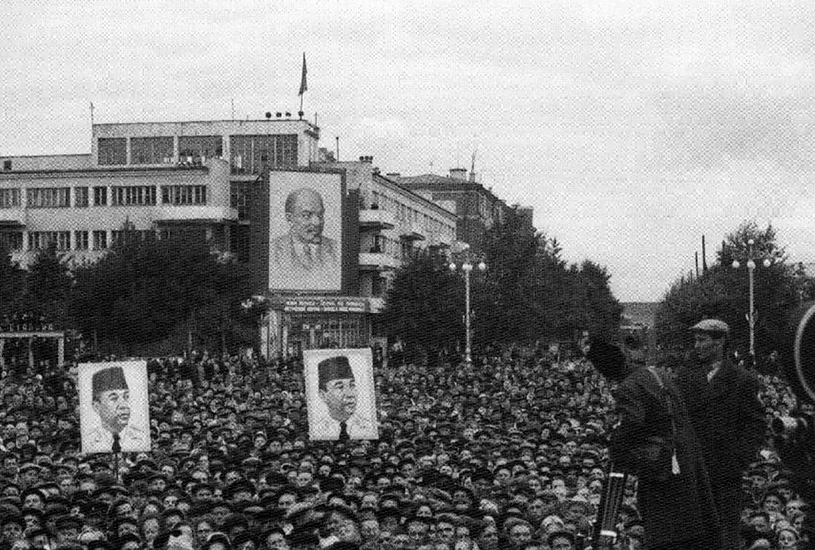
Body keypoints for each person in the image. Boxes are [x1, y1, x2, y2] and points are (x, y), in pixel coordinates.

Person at [586, 340, 722, 549]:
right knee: (691, 521)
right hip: (686, 456)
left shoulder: (628, 386)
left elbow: (633, 421)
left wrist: (616, 444)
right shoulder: (657, 373)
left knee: (664, 526)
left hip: (662, 464)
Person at [676, 319, 766, 549]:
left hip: (724, 477)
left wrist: (736, 461)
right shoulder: (685, 377)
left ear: (720, 342)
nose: (696, 345)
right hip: (690, 473)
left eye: (702, 340)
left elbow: (755, 425)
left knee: (722, 539)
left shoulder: (742, 380)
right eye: (695, 340)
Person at [270, 187, 339, 285]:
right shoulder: (272, 250)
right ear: (290, 219)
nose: (317, 222)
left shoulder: (336, 248)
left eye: (320, 215)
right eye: (306, 215)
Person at [84, 366, 147, 453]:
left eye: (126, 397)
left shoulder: (142, 438)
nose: (123, 405)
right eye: (114, 398)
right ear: (97, 407)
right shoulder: (88, 442)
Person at [311, 355, 375, 440]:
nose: (349, 394)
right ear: (323, 395)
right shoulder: (317, 430)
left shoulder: (369, 428)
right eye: (339, 387)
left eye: (352, 385)